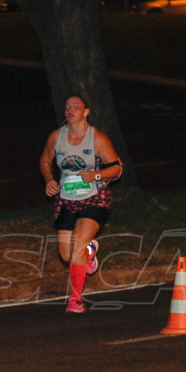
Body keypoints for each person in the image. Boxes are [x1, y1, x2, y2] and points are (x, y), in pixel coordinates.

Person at [39, 95, 122, 313]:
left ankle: (75, 300)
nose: (71, 109)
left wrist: (95, 175)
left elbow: (116, 168)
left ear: (86, 112)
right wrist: (49, 179)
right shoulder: (57, 137)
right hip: (66, 199)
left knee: (76, 246)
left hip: (94, 198)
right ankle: (89, 249)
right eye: (67, 106)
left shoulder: (97, 139)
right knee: (66, 255)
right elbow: (46, 160)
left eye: (76, 106)